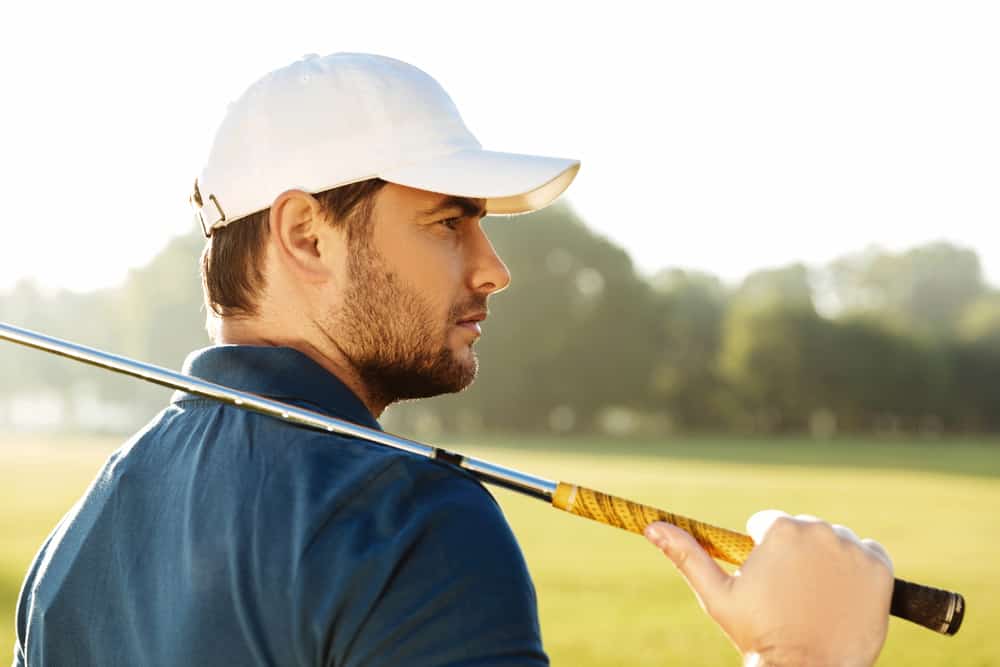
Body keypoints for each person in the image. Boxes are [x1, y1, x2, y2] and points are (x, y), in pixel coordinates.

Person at [13, 53, 893, 667]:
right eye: (447, 220)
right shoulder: (411, 526)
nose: (493, 267)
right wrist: (802, 654)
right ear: (305, 235)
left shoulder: (68, 549)